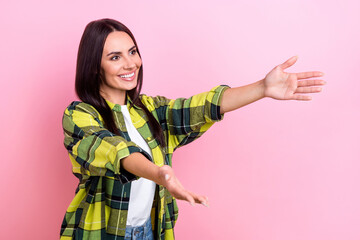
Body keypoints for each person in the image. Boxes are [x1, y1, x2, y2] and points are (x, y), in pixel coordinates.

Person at [60, 18, 326, 240]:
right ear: (95, 67)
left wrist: (262, 88)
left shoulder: (149, 110)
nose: (130, 64)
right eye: (115, 57)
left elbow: (199, 108)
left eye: (132, 51)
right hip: (100, 233)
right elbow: (114, 151)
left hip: (151, 231)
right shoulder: (79, 115)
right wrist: (159, 173)